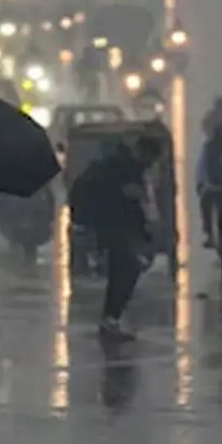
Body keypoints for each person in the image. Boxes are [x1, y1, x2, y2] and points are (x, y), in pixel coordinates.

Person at [70, 135, 165, 340]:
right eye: (152, 158)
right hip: (118, 229)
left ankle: (110, 320)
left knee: (122, 273)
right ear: (144, 152)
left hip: (112, 228)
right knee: (127, 271)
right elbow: (131, 204)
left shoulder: (121, 167)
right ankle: (110, 320)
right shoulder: (127, 170)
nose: (152, 163)